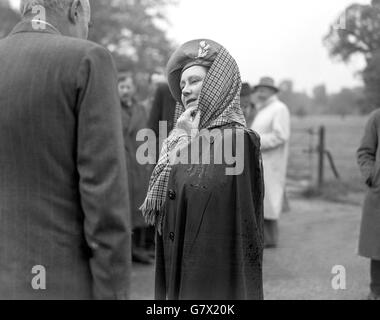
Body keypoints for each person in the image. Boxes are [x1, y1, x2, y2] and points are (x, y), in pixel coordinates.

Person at [0, 0, 131, 299]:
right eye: (89, 22)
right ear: (75, 9)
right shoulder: (87, 59)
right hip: (60, 282)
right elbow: (104, 198)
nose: (87, 30)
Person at [140, 39, 264, 300]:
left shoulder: (237, 139)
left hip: (211, 278)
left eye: (195, 81)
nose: (185, 90)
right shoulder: (182, 138)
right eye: (183, 84)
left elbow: (225, 216)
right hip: (178, 265)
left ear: (218, 87)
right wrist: (183, 138)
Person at [118, 72, 154, 265]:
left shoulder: (141, 109)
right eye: (121, 87)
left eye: (128, 87)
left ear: (134, 89)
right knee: (125, 206)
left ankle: (139, 248)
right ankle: (127, 249)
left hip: (139, 161)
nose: (125, 91)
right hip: (122, 161)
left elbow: (146, 133)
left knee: (140, 204)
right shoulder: (112, 108)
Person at [250, 77, 290, 248]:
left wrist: (255, 141)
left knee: (269, 200)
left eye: (265, 89)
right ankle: (263, 238)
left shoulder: (279, 108)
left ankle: (270, 239)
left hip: (271, 162)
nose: (261, 92)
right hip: (260, 160)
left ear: (273, 91)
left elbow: (280, 136)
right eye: (259, 89)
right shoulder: (262, 109)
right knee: (261, 199)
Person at [357, 109, 380, 300]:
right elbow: (365, 152)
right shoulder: (377, 117)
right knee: (377, 245)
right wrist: (372, 177)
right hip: (379, 192)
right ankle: (376, 290)